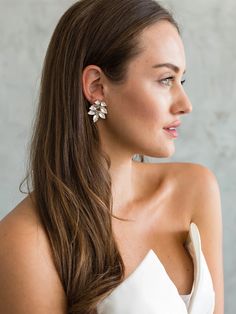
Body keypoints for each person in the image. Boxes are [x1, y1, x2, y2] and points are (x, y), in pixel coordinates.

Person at [0, 0, 224, 313]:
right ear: (97, 86)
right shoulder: (26, 242)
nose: (185, 104)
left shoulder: (195, 189)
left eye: (181, 80)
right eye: (165, 80)